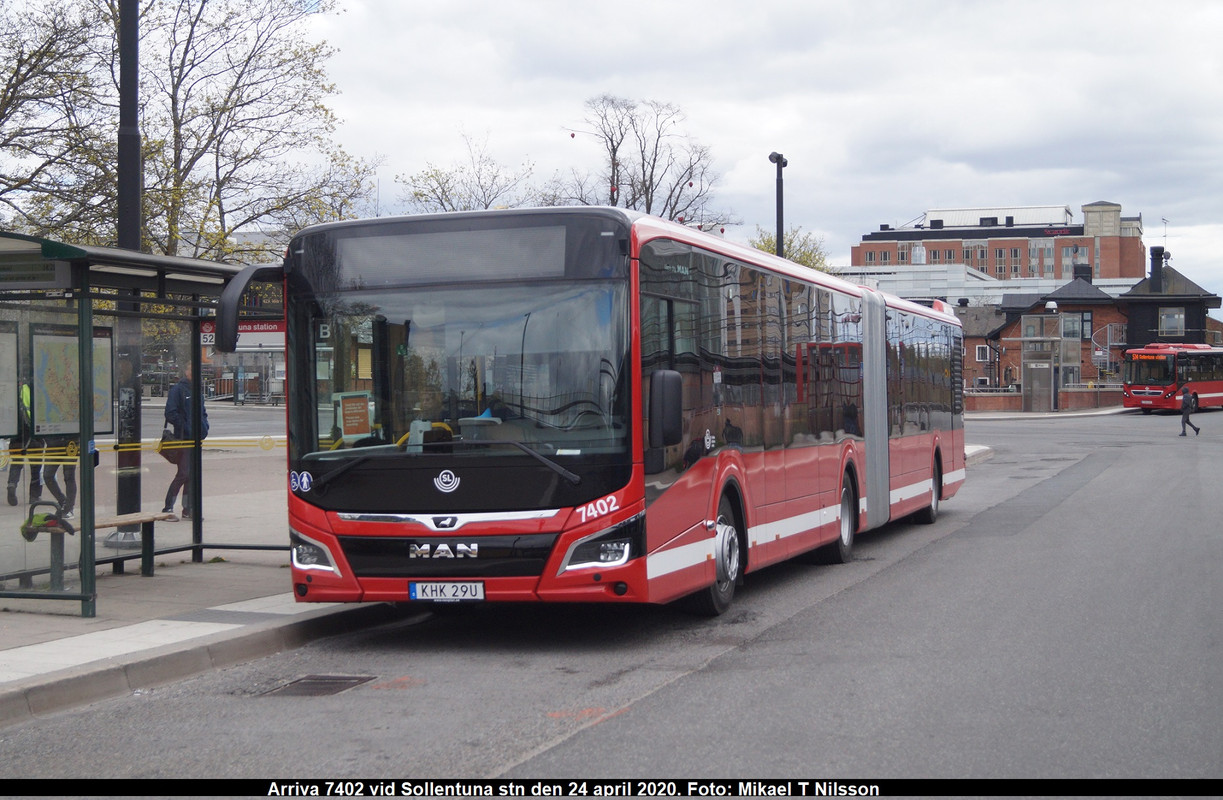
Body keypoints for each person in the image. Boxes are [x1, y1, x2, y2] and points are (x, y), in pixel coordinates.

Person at [163, 364, 209, 519]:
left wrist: (204, 427)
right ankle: (168, 507)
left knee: (191, 474)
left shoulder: (197, 391)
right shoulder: (178, 390)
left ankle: (187, 509)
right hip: (184, 439)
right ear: (186, 371)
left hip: (196, 439)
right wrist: (185, 426)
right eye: (191, 369)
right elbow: (170, 412)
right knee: (184, 473)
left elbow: (203, 412)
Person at [6, 382, 43, 506]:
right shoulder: (33, 390)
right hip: (33, 435)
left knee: (16, 464)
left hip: (16, 436)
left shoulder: (11, 393)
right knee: (36, 467)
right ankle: (34, 496)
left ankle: (11, 485)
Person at [42, 434, 77, 519]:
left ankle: (68, 507)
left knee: (69, 476)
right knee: (47, 475)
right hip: (53, 444)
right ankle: (64, 502)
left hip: (70, 442)